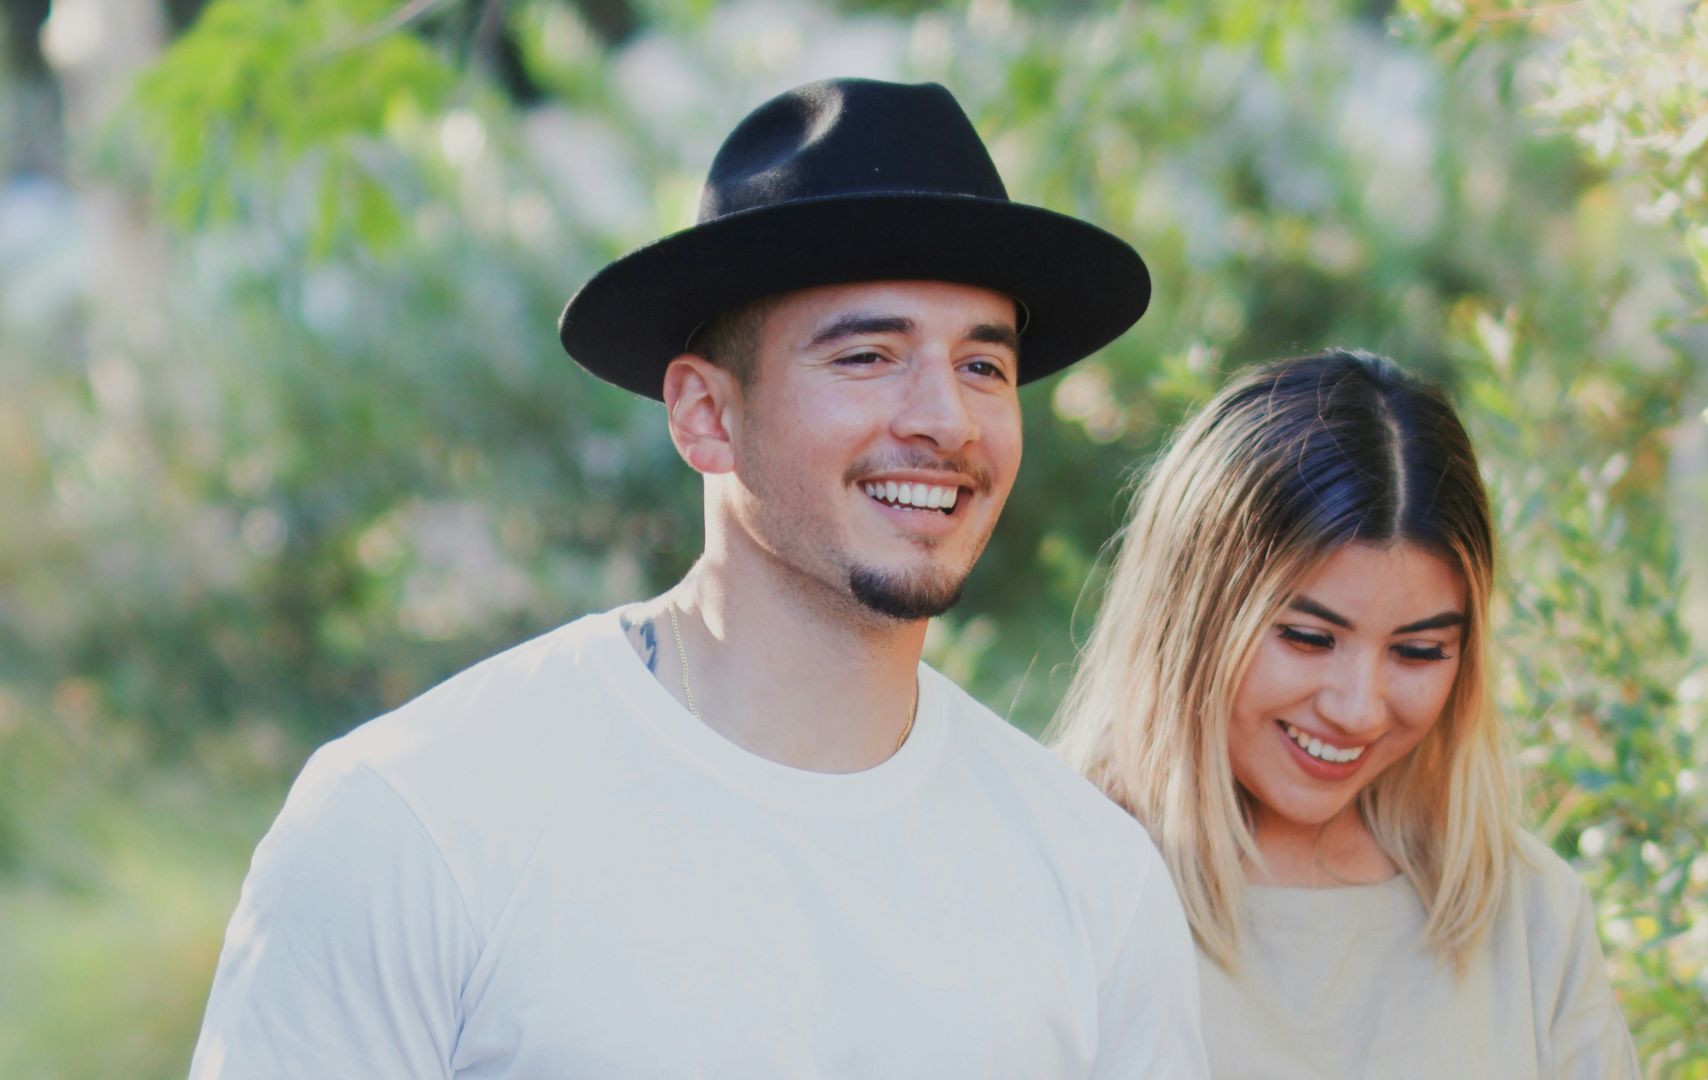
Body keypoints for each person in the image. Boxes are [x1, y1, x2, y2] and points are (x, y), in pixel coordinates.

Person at [190, 78, 1207, 1078]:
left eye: (984, 365)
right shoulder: (415, 820)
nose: (945, 418)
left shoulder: (1091, 880)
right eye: (865, 356)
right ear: (705, 415)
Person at [1051, 349, 1640, 1078]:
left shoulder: (1530, 913)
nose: (1358, 710)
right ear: (1192, 616)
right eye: (1308, 638)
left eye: (1419, 652)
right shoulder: (1055, 888)